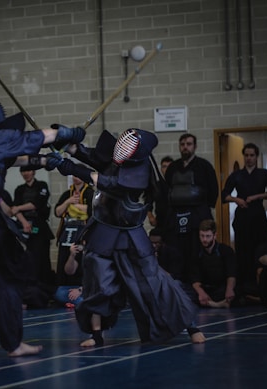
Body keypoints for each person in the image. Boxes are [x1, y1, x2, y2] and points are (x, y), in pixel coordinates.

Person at [46, 128, 206, 347]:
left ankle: (191, 325)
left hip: (131, 233)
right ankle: (96, 334)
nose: (121, 147)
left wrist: (70, 167)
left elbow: (109, 183)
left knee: (155, 281)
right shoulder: (116, 158)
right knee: (98, 282)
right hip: (104, 230)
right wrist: (65, 142)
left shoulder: (139, 172)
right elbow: (88, 154)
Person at [0, 99, 85, 356]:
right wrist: (69, 133)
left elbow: (14, 159)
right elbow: (39, 136)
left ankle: (12, 340)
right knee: (2, 274)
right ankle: (12, 340)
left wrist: (45, 162)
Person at [164, 134, 219, 280]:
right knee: (177, 251)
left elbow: (213, 190)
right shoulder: (172, 168)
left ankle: (197, 283)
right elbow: (166, 190)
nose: (185, 147)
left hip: (197, 215)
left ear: (195, 146)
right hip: (176, 216)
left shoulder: (204, 166)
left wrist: (206, 209)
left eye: (188, 144)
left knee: (196, 251)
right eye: (182, 144)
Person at [221, 143, 267, 294]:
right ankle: (243, 286)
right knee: (243, 251)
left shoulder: (264, 173)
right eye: (246, 155)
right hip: (242, 217)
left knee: (259, 249)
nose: (249, 158)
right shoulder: (237, 175)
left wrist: (256, 196)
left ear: (256, 156)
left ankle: (260, 284)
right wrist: (237, 200)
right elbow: (224, 195)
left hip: (258, 216)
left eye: (252, 155)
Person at [12, 167, 56, 290]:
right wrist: (24, 223)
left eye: (28, 170)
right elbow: (14, 209)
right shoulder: (19, 189)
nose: (26, 173)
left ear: (33, 171)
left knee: (42, 259)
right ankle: (30, 289)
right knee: (28, 259)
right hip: (25, 228)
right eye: (23, 171)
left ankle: (46, 289)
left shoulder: (42, 185)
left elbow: (37, 204)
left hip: (40, 227)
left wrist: (19, 208)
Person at [54, 174, 94, 305]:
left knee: (86, 263)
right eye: (74, 175)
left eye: (79, 174)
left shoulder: (89, 192)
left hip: (84, 234)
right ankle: (71, 293)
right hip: (68, 234)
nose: (77, 177)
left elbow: (93, 210)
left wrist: (75, 208)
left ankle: (83, 291)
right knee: (66, 263)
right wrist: (69, 202)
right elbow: (58, 212)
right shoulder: (67, 193)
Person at [189, 220, 238, 309]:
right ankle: (217, 304)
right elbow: (194, 277)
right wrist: (201, 293)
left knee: (237, 292)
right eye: (202, 236)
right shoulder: (196, 253)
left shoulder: (226, 250)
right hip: (206, 288)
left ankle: (211, 303)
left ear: (215, 236)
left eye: (208, 236)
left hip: (222, 287)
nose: (204, 239)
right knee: (184, 292)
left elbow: (231, 273)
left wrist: (229, 289)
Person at [54, 243, 85, 308]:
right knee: (60, 293)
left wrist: (80, 290)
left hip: (89, 288)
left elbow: (96, 279)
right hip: (75, 286)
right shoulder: (80, 253)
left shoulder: (95, 255)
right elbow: (69, 272)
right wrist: (72, 255)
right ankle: (78, 301)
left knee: (88, 297)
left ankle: (81, 302)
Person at [146, 156, 173, 227]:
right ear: (161, 169)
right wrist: (151, 217)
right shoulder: (156, 185)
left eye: (169, 166)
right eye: (164, 166)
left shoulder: (178, 184)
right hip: (160, 221)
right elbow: (148, 202)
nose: (167, 169)